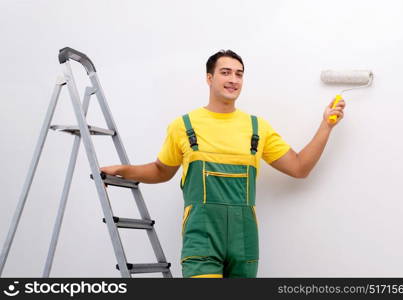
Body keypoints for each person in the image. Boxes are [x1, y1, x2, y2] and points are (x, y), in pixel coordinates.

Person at [100, 50, 345, 278]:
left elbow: (300, 168)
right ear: (209, 78)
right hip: (202, 238)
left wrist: (327, 125)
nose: (233, 79)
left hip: (244, 242)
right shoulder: (184, 126)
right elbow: (161, 171)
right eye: (225, 72)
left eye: (239, 74)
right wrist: (124, 170)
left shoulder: (257, 128)